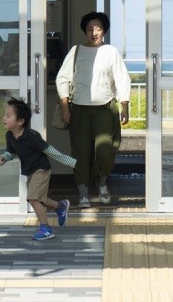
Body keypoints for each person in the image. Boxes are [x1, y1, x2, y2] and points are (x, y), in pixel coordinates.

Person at [56, 11, 131, 208]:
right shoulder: (76, 51)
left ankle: (102, 182)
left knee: (106, 149)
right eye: (90, 29)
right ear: (85, 31)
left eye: (97, 28)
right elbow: (62, 78)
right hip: (79, 109)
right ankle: (82, 192)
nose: (94, 32)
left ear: (104, 31)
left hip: (105, 108)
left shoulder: (111, 52)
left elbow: (122, 79)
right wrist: (65, 106)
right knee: (80, 152)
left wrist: (124, 104)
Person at [0, 97, 76, 240]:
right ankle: (60, 206)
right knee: (40, 198)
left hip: (41, 169)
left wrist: (71, 162)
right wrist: (4, 157)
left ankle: (46, 228)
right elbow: (11, 152)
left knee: (33, 198)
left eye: (8, 116)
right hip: (30, 171)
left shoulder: (31, 136)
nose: (4, 118)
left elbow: (50, 150)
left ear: (20, 121)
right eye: (4, 114)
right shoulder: (10, 135)